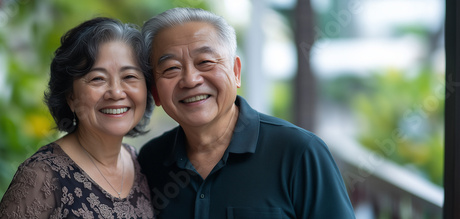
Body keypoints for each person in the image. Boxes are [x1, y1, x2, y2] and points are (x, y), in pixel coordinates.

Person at [137, 7, 355, 219]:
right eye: (171, 68)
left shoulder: (300, 153)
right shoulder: (151, 160)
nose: (191, 79)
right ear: (155, 91)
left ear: (236, 72)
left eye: (205, 62)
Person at [0, 17, 155, 218]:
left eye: (129, 77)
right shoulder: (42, 176)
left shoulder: (138, 162)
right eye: (98, 79)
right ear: (70, 96)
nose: (116, 93)